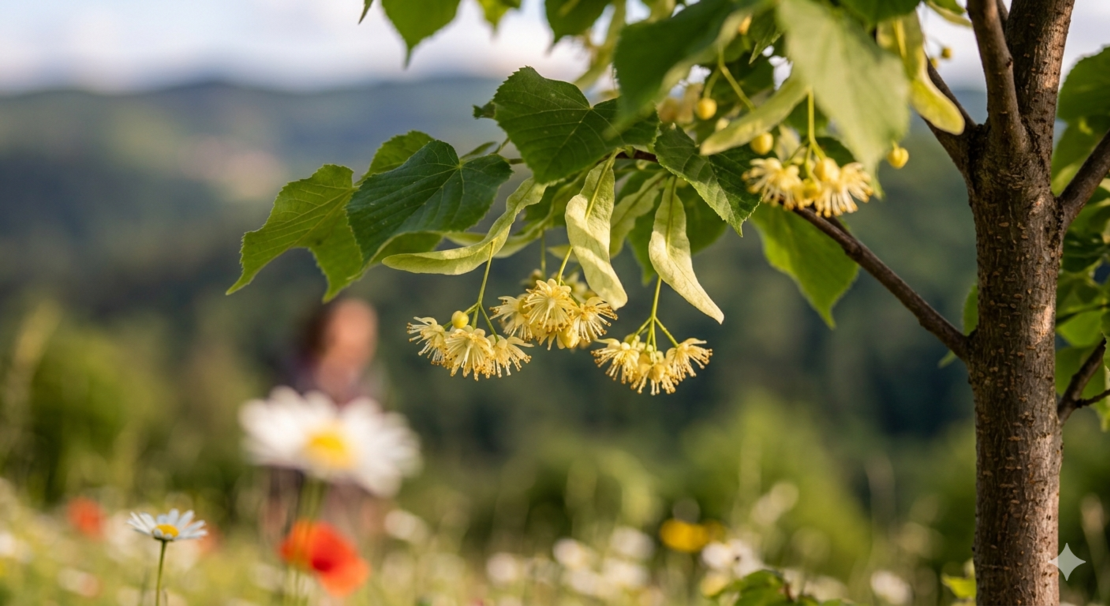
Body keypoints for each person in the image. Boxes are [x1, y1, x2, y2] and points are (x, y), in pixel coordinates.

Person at [262, 298, 390, 543]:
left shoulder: (370, 385)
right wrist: (274, 505)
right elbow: (275, 444)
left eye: (365, 334)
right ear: (325, 330)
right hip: (298, 501)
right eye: (348, 328)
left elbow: (378, 451)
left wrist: (374, 512)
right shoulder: (296, 376)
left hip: (347, 511)